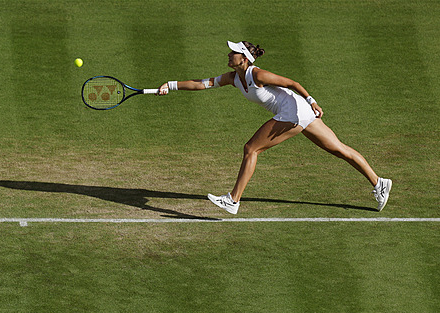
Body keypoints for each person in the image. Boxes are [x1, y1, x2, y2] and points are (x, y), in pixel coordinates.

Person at [157, 41, 391, 214]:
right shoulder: (233, 78)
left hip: (295, 112)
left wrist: (312, 101)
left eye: (234, 52)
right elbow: (203, 84)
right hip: (299, 112)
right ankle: (379, 183)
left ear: (245, 59)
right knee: (338, 149)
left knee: (251, 149)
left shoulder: (257, 74)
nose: (229, 54)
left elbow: (292, 83)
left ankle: (233, 200)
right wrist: (171, 85)